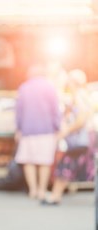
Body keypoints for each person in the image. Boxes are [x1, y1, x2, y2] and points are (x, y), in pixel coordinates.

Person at [42, 69, 94, 205]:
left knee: (65, 165)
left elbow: (81, 118)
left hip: (80, 138)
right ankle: (55, 195)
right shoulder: (83, 95)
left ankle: (55, 196)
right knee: (71, 166)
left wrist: (67, 130)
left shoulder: (79, 96)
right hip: (85, 137)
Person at [15, 63, 61, 200]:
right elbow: (56, 109)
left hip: (28, 129)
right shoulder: (50, 87)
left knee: (28, 161)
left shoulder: (23, 88)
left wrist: (18, 128)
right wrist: (57, 127)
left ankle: (33, 190)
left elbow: (19, 111)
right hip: (46, 129)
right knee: (44, 161)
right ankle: (42, 190)